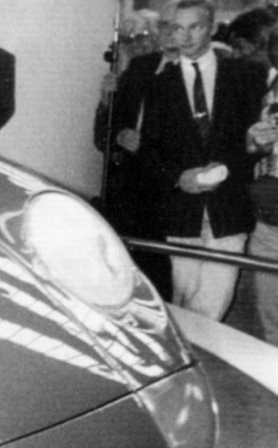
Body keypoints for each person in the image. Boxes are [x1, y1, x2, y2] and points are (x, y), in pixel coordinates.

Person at [139, 0, 268, 322]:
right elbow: (149, 152)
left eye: (194, 27)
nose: (184, 36)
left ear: (210, 28)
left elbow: (256, 142)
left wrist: (234, 163)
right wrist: (179, 177)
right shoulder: (158, 85)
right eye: (177, 28)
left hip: (229, 208)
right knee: (183, 302)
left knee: (212, 306)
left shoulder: (246, 76)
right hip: (182, 211)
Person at [94, 7, 180, 299]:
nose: (137, 44)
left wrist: (146, 144)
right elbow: (102, 139)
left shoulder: (179, 71)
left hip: (166, 187)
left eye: (143, 35)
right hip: (129, 187)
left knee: (162, 274)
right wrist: (107, 104)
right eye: (129, 39)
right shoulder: (135, 73)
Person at [243, 25, 278, 346]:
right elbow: (253, 148)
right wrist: (254, 142)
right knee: (271, 326)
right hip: (269, 220)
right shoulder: (268, 87)